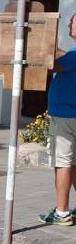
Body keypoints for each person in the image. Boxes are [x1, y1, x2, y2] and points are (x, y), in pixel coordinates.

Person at [40, 13, 76, 225]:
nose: (70, 23)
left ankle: (62, 213)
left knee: (62, 163)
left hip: (65, 116)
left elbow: (53, 64)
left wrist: (42, 39)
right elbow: (63, 59)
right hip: (70, 115)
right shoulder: (73, 53)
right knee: (74, 164)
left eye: (74, 20)